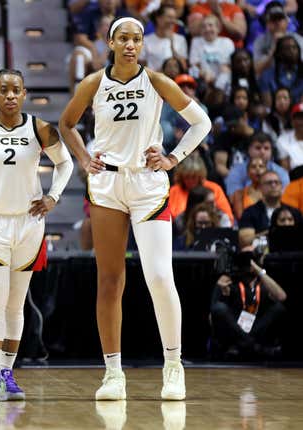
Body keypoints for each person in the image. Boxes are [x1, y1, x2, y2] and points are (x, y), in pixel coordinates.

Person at [59, 17, 211, 400]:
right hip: (107, 184)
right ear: (110, 43)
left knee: (160, 276)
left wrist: (174, 158)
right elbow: (66, 124)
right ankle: (113, 373)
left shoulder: (157, 81)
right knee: (110, 281)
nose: (131, 45)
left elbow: (201, 123)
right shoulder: (93, 83)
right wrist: (82, 158)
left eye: (137, 39)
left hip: (148, 183)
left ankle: (173, 367)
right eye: (123, 38)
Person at [0, 68, 73, 401]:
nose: (9, 95)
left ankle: (8, 373)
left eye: (15, 90)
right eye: (3, 89)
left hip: (29, 223)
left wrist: (53, 196)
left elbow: (66, 164)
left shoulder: (40, 129)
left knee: (16, 304)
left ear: (24, 93)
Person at [210, 253, 287, 359]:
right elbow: (214, 311)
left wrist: (258, 270)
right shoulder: (232, 281)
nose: (248, 266)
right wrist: (222, 291)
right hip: (236, 330)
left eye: (251, 262)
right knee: (220, 308)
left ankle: (246, 345)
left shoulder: (264, 283)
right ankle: (252, 345)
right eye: (246, 262)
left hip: (257, 328)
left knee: (279, 308)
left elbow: (281, 296)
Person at [238, 170, 303, 249]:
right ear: (260, 187)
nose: (273, 185)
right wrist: (274, 231)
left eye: (276, 182)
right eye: (269, 183)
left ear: (281, 186)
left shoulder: (294, 212)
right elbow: (245, 240)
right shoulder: (250, 212)